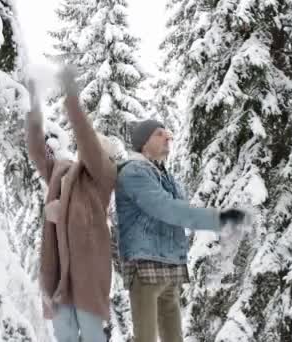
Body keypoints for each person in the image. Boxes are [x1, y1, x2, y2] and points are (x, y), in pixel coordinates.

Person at [115, 119, 246, 342]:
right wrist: (219, 219)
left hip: (170, 265)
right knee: (145, 338)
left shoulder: (166, 176)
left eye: (168, 133)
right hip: (145, 265)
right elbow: (169, 209)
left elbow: (180, 210)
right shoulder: (134, 172)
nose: (168, 137)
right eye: (159, 134)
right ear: (143, 143)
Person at [25, 67, 117, 342]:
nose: (91, 152)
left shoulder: (104, 178)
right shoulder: (62, 174)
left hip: (89, 278)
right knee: (64, 338)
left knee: (92, 337)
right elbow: (37, 150)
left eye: (98, 150)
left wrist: (72, 98)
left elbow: (86, 140)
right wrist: (33, 105)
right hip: (60, 280)